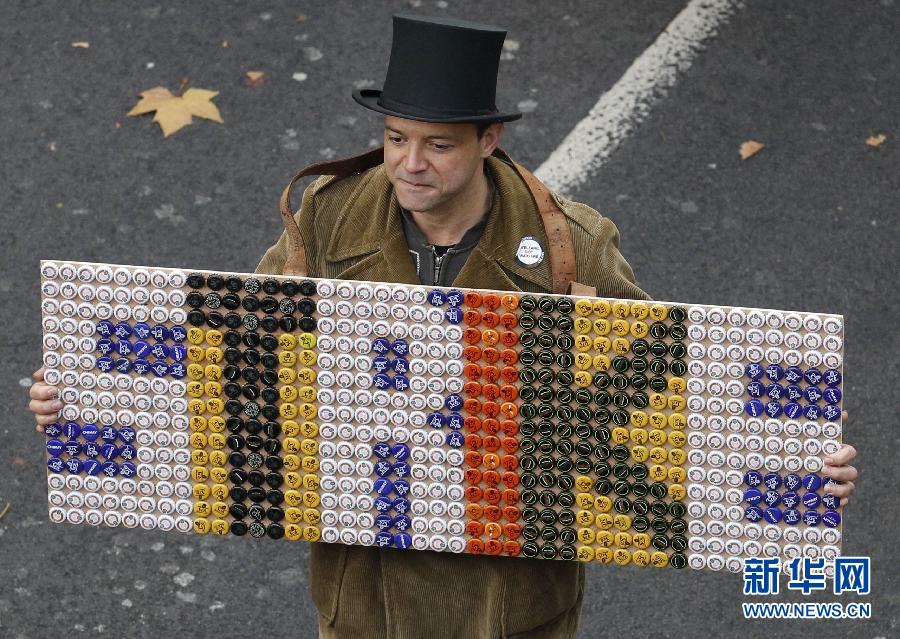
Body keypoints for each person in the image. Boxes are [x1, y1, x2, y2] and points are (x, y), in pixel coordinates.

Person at [28, 13, 858, 639]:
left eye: (438, 144)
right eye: (395, 138)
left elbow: (676, 392)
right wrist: (81, 400)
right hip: (367, 606)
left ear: (489, 141)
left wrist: (799, 456)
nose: (409, 164)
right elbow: (227, 356)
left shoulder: (574, 246)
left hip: (513, 612)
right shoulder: (329, 217)